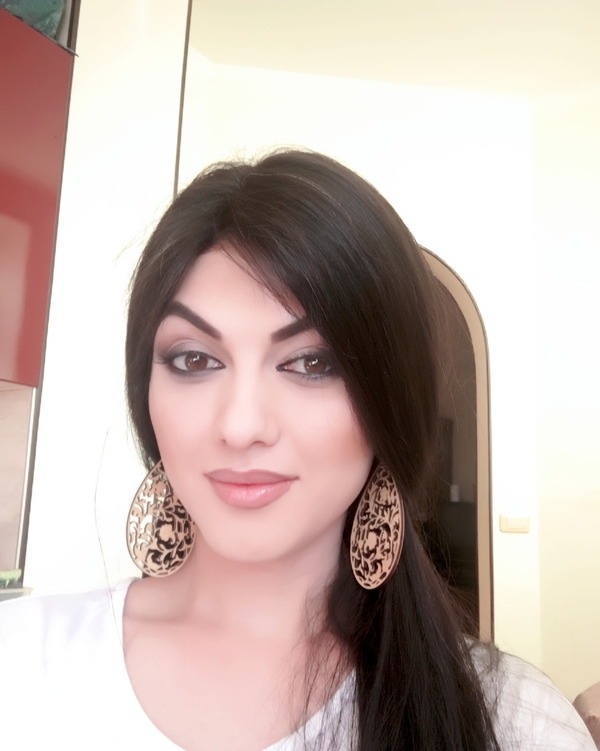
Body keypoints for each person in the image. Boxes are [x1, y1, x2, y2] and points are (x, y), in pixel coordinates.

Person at [0, 150, 594, 751]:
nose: (240, 426)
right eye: (195, 359)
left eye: (311, 363)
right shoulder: (20, 658)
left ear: (388, 404)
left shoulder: (515, 722)